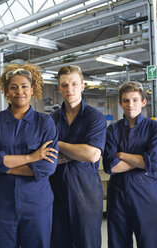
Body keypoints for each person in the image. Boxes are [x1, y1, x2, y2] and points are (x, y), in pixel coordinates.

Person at [0, 64, 58, 248]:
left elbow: (47, 167)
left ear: (32, 89)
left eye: (24, 86)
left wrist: (1, 165)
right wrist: (31, 157)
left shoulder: (45, 123)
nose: (19, 91)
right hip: (0, 205)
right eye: (13, 87)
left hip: (36, 205)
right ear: (6, 91)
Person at [103, 82, 157, 248]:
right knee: (118, 243)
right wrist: (142, 160)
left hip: (146, 195)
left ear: (143, 102)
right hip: (118, 196)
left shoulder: (156, 129)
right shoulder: (112, 130)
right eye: (126, 101)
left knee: (149, 242)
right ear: (120, 103)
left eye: (135, 100)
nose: (130, 105)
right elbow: (111, 166)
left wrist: (122, 154)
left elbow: (153, 163)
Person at [50, 65, 106, 248]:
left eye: (74, 84)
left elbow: (91, 154)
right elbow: (43, 152)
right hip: (56, 192)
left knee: (87, 243)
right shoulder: (50, 120)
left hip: (86, 193)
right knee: (58, 243)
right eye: (64, 85)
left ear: (82, 86)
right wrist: (76, 151)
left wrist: (58, 144)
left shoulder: (95, 118)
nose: (69, 89)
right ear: (59, 89)